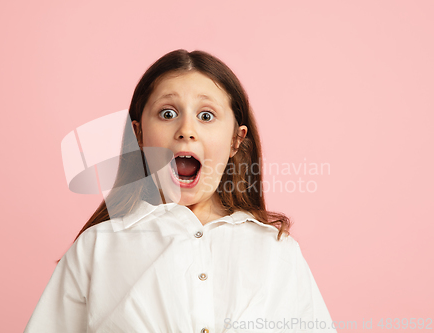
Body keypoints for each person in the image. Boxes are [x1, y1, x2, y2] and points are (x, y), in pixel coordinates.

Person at [24, 49, 337, 332]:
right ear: (139, 135)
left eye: (206, 116)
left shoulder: (277, 252)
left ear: (235, 140)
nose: (186, 130)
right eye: (168, 113)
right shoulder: (96, 250)